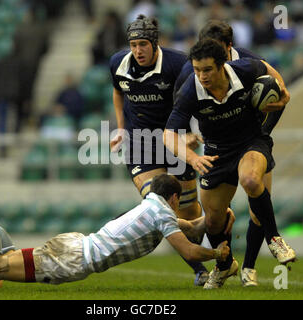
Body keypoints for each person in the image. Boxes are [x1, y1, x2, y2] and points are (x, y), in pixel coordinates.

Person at [163, 38, 296, 290]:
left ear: (222, 65)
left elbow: (266, 68)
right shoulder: (191, 90)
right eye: (197, 70)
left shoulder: (245, 70)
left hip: (251, 141)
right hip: (216, 152)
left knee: (250, 180)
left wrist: (284, 93)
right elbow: (168, 135)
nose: (201, 76)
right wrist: (193, 158)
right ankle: (225, 266)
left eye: (207, 70)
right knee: (213, 220)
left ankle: (275, 239)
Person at [0, 175, 233, 285]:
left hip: (76, 244)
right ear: (174, 199)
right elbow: (191, 249)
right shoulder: (163, 214)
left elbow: (193, 228)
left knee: (6, 254)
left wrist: (217, 216)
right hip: (75, 259)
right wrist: (217, 253)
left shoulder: (151, 205)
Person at [108, 14, 209, 285]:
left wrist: (190, 133)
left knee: (187, 214)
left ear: (155, 43)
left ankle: (213, 245)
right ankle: (201, 269)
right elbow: (118, 91)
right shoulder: (118, 63)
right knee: (160, 207)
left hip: (174, 141)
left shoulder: (178, 64)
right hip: (139, 141)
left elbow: (193, 98)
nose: (138, 50)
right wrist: (120, 127)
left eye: (143, 44)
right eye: (133, 45)